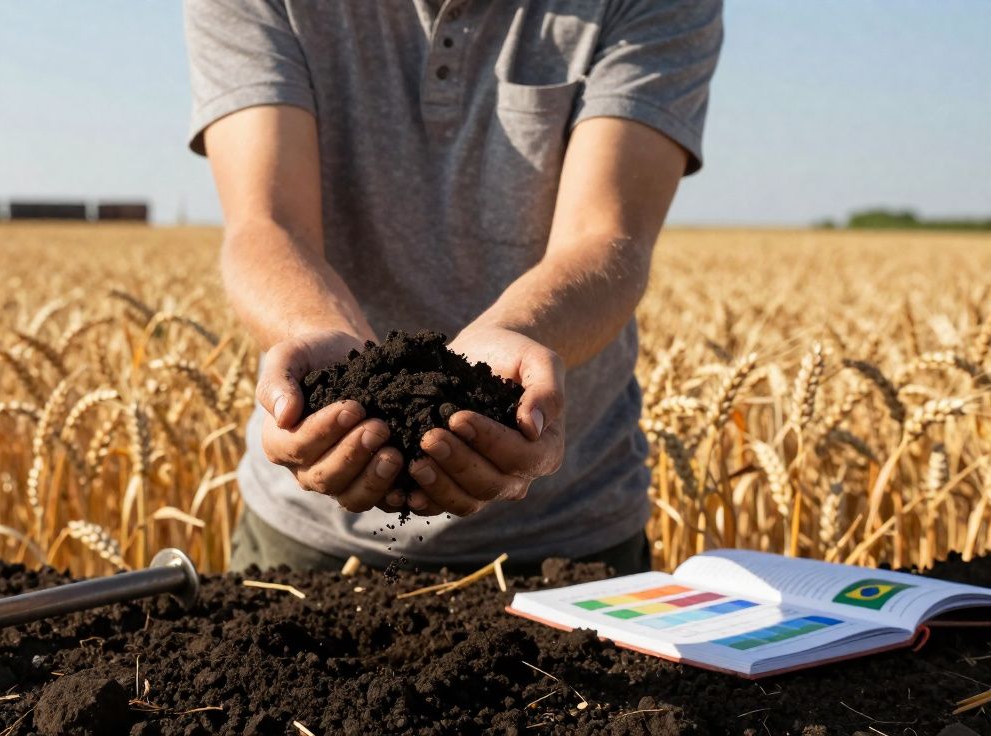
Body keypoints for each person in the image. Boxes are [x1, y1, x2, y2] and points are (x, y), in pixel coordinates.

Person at [184, 0, 722, 576]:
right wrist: (318, 336)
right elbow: (266, 224)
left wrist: (514, 335)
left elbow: (607, 234)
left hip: (570, 548)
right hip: (305, 544)